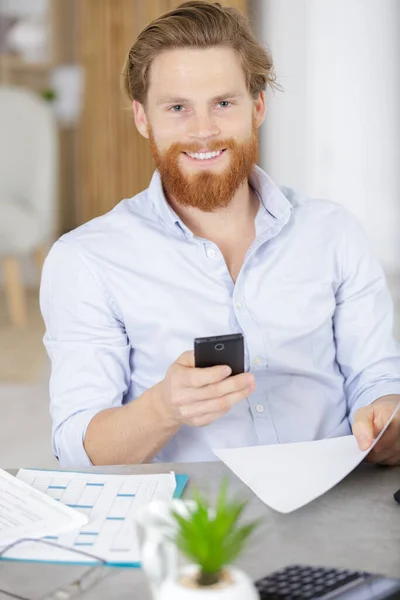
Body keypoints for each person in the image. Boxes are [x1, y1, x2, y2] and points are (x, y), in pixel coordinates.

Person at [40, 1, 400, 467]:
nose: (204, 131)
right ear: (142, 118)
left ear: (258, 106)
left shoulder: (334, 233)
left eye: (224, 104)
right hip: (196, 523)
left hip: (335, 501)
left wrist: (387, 416)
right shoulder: (85, 261)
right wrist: (162, 408)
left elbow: (377, 377)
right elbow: (77, 451)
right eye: (177, 108)